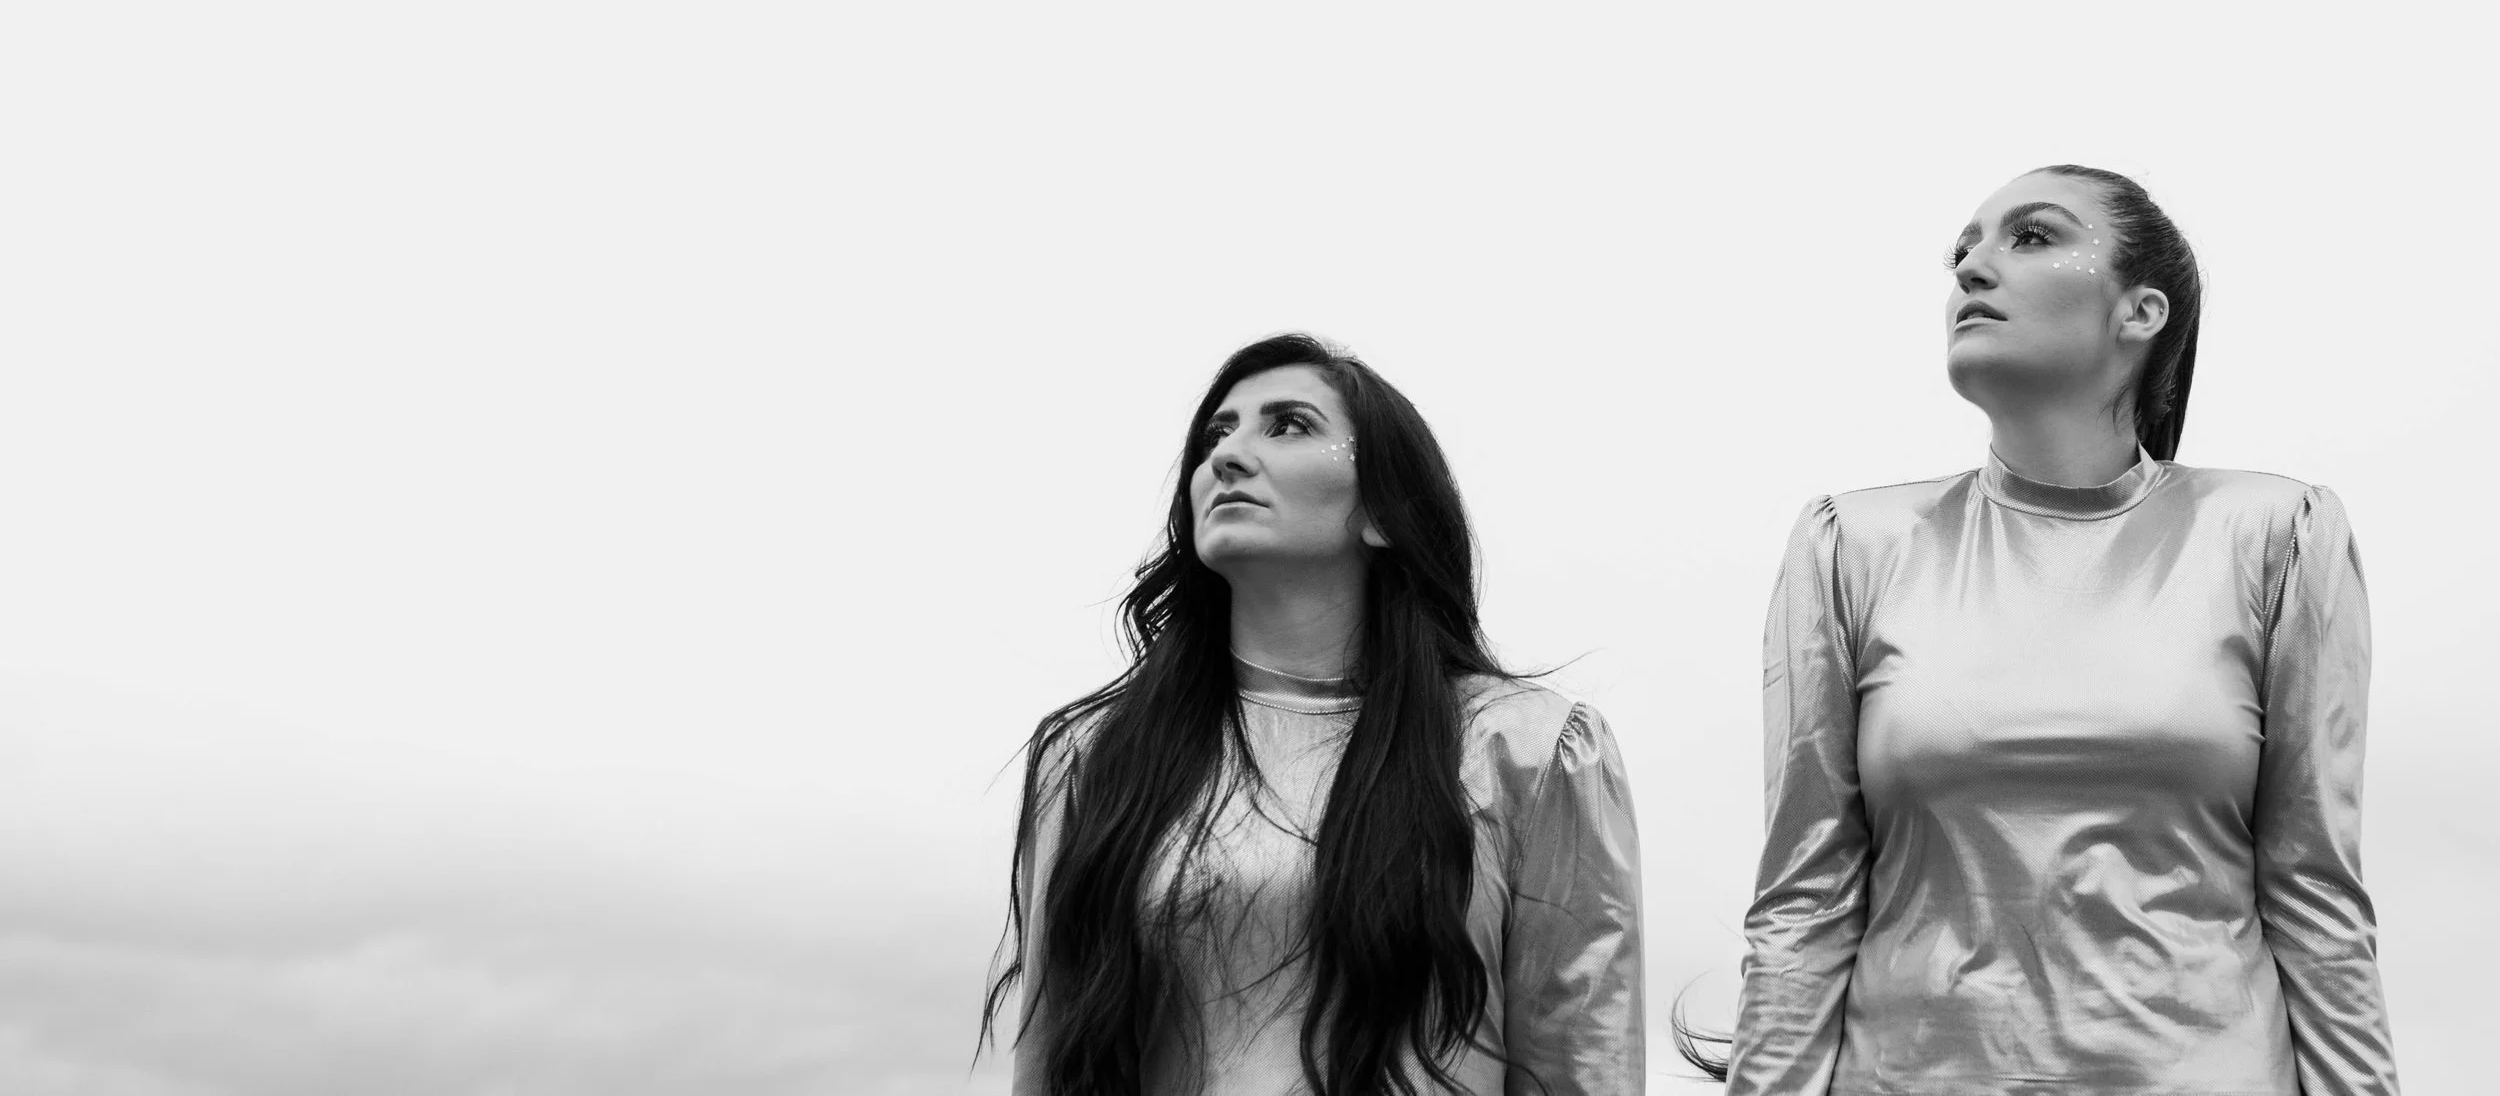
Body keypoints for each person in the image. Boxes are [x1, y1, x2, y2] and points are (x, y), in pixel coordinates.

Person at [1703, 164, 2399, 1093]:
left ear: (2140, 311)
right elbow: (1804, 901)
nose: (1970, 269)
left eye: (2030, 236)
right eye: (1962, 252)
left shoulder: (2278, 535)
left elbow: (2318, 895)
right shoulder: (1851, 548)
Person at [983, 333, 1644, 1096]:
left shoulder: (1527, 748)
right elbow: (1049, 1067)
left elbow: (1583, 1070)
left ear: (1382, 510)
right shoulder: (1091, 757)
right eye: (1214, 435)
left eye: (1288, 424)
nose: (1226, 457)